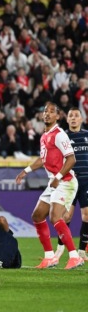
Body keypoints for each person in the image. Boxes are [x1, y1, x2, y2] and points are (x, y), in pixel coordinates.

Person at [15, 102, 84, 269]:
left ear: (57, 116)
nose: (47, 114)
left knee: (55, 217)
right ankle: (49, 257)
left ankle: (75, 257)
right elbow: (43, 159)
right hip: (54, 182)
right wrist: (26, 170)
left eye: (51, 112)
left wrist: (58, 176)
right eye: (45, 111)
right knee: (37, 215)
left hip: (65, 181)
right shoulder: (44, 135)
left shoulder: (60, 134)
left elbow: (71, 158)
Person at [53, 108, 88, 261]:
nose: (73, 118)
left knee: (86, 216)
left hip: (86, 180)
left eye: (76, 116)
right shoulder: (62, 136)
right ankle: (60, 249)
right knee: (66, 217)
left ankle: (81, 251)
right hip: (69, 180)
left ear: (82, 119)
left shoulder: (87, 135)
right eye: (70, 116)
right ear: (66, 119)